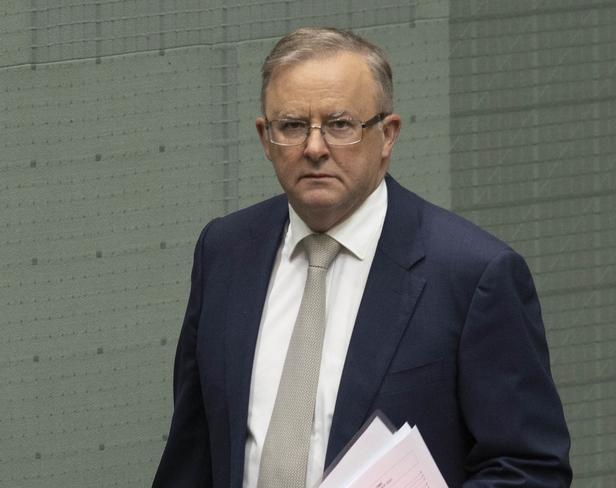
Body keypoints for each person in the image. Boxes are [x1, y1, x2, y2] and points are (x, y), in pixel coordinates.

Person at [152, 27, 572, 488]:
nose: (314, 148)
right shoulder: (224, 251)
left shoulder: (473, 276)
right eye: (292, 126)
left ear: (387, 135)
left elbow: (529, 468)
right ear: (265, 138)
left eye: (340, 125)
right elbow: (192, 454)